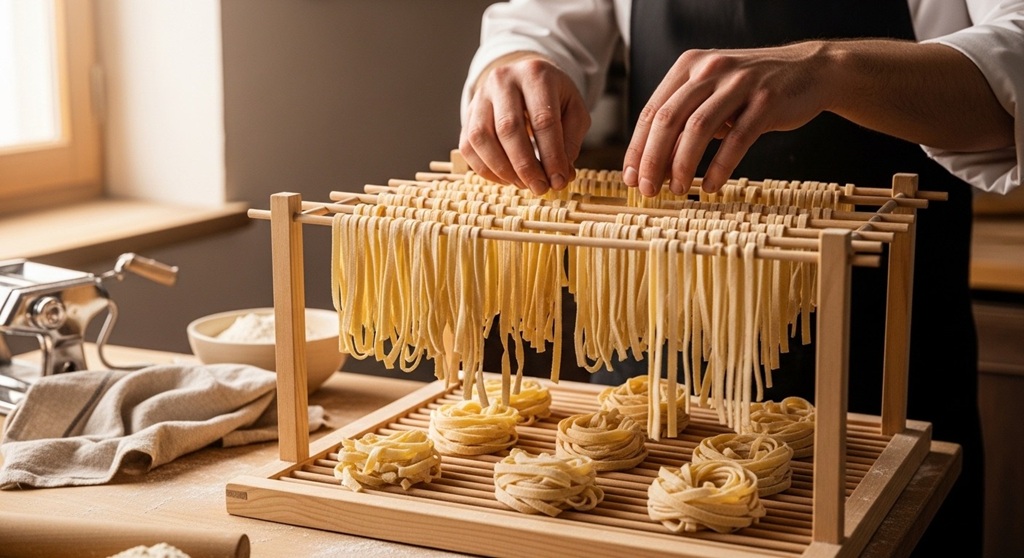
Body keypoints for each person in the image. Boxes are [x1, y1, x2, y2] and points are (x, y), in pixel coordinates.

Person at [459, 1, 1023, 556]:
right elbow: (539, 22)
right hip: (653, 361)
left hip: (881, 358)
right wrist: (513, 65)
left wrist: (833, 67)